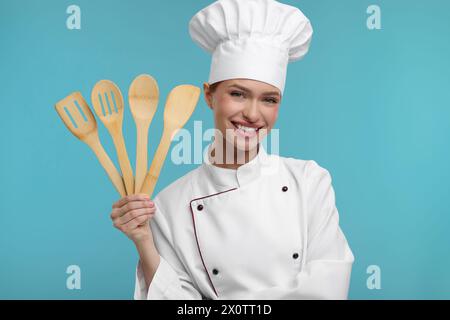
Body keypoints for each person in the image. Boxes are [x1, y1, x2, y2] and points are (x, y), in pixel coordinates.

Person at [110, 0, 354, 300]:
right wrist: (144, 241)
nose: (253, 114)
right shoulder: (169, 205)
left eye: (269, 99)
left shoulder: (310, 181)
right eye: (238, 94)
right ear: (209, 95)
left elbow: (327, 290)